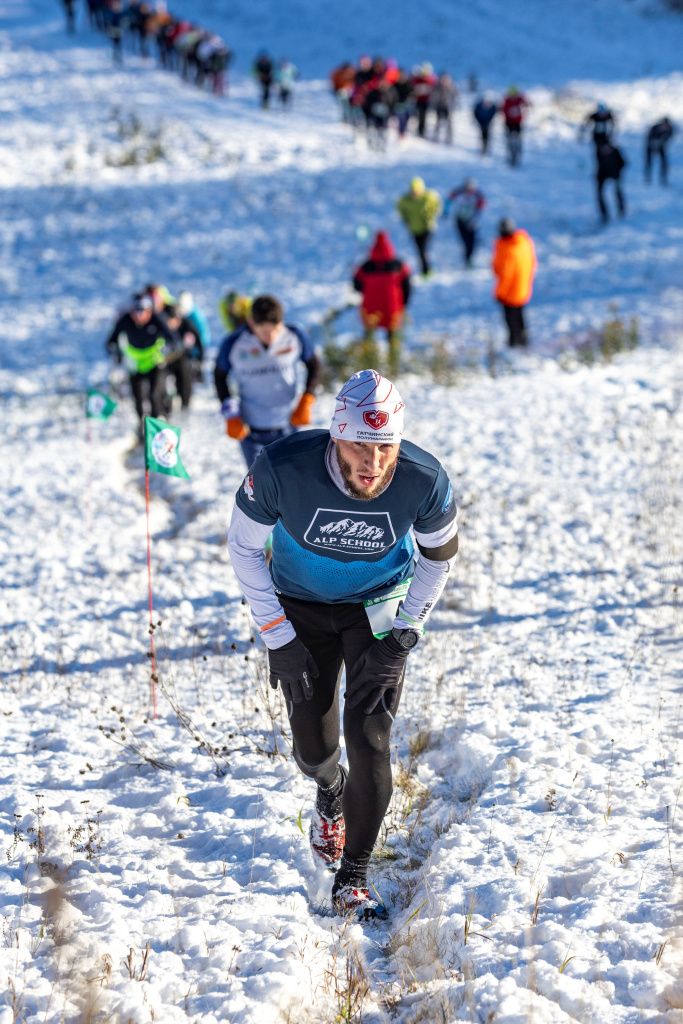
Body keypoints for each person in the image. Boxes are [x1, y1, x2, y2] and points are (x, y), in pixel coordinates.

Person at [226, 368, 459, 919]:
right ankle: (330, 789)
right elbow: (242, 549)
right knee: (313, 748)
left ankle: (353, 875)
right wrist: (277, 636)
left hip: (377, 606)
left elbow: (438, 559)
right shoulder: (282, 468)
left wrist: (403, 636)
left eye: (386, 448)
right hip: (299, 605)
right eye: (360, 445)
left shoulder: (425, 480)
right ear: (336, 435)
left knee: (371, 734)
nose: (373, 463)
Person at [214, 294, 322, 468]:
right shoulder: (234, 343)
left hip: (289, 426)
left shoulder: (295, 336)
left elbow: (315, 366)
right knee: (259, 488)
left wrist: (307, 399)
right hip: (251, 431)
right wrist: (230, 413)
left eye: (275, 330)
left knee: (290, 483)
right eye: (264, 331)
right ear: (251, 323)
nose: (271, 337)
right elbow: (219, 376)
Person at [105, 294, 175, 435]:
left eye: (141, 311)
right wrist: (115, 352)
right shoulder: (125, 320)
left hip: (155, 362)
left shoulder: (157, 319)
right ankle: (141, 424)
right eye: (135, 311)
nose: (138, 315)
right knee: (138, 396)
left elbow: (173, 339)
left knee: (155, 394)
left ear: (149, 311)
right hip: (135, 363)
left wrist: (168, 349)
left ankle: (156, 426)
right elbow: (110, 341)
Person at [352, 232, 411, 372]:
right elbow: (407, 285)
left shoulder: (366, 266)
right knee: (393, 336)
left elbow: (356, 285)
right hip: (392, 307)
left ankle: (367, 366)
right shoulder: (398, 265)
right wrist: (404, 304)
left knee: (369, 337)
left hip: (370, 307)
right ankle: (393, 365)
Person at [491, 218, 537, 348]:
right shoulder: (523, 243)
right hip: (523, 286)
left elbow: (506, 274)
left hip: (509, 291)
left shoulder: (507, 248)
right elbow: (532, 263)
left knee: (510, 319)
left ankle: (514, 342)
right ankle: (523, 339)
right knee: (520, 315)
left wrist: (499, 292)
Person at [396, 177, 442, 277]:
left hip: (427, 228)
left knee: (423, 250)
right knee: (419, 251)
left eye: (416, 191)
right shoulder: (406, 200)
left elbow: (437, 205)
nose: (414, 193)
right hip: (414, 228)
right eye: (412, 191)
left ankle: (426, 271)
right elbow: (400, 208)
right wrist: (406, 219)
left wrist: (431, 217)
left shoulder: (428, 197)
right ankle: (425, 270)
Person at [444, 178, 486, 267]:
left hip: (472, 221)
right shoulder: (458, 192)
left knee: (472, 241)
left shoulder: (477, 195)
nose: (469, 191)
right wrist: (446, 211)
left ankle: (471, 258)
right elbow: (448, 200)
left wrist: (475, 220)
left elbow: (481, 208)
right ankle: (468, 259)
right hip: (460, 221)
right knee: (465, 241)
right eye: (467, 189)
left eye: (471, 189)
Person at [595, 141, 626, 223]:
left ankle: (621, 210)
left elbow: (623, 163)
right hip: (603, 174)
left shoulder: (616, 151)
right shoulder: (598, 152)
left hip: (615, 174)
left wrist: (616, 172)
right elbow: (599, 165)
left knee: (618, 192)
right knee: (599, 194)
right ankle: (604, 214)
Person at [501, 86, 529, 167]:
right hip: (509, 123)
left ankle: (517, 155)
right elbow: (503, 110)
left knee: (518, 140)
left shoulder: (520, 99)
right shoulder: (507, 100)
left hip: (518, 123)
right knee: (509, 141)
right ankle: (510, 155)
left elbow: (526, 104)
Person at [645, 117, 674, 186]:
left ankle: (663, 178)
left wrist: (662, 141)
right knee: (649, 161)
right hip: (651, 145)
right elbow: (648, 138)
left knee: (664, 161)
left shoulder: (670, 129)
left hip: (661, 145)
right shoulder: (655, 128)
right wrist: (654, 143)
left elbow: (669, 137)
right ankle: (648, 177)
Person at [411, 63, 437, 138]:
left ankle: (421, 131)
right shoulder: (418, 79)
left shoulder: (431, 80)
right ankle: (417, 130)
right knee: (416, 115)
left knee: (423, 117)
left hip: (426, 101)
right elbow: (414, 89)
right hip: (418, 101)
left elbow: (433, 91)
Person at [430, 73, 458, 144]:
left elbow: (456, 98)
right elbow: (434, 97)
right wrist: (434, 104)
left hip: (448, 108)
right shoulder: (438, 88)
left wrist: (454, 105)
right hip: (439, 107)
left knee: (449, 124)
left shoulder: (452, 88)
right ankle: (436, 136)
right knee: (438, 123)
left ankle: (449, 138)